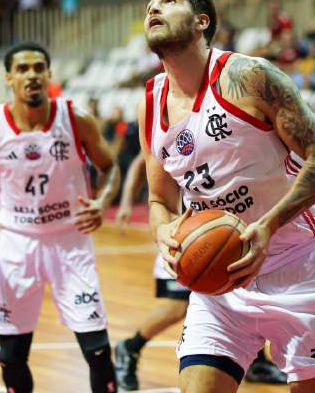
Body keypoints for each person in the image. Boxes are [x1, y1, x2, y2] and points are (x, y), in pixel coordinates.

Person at [139, 0, 315, 392]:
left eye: (168, 1)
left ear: (201, 21)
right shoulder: (151, 101)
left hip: (298, 268)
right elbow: (159, 196)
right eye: (150, 5)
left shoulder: (248, 77)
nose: (154, 9)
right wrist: (164, 232)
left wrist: (269, 226)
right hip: (220, 281)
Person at [0, 42, 121, 393]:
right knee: (11, 355)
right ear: (9, 78)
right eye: (23, 69)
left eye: (38, 68)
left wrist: (103, 202)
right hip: (18, 243)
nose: (31, 75)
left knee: (96, 350)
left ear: (49, 74)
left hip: (70, 239)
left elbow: (110, 167)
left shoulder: (75, 119)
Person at [113, 153, 288, 390]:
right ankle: (131, 347)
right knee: (179, 307)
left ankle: (256, 362)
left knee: (240, 291)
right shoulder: (170, 135)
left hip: (217, 235)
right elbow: (139, 165)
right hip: (187, 241)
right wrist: (126, 201)